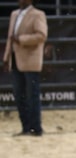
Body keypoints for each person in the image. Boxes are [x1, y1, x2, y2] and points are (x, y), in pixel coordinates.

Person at [2, 0, 48, 137]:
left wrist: (22, 39)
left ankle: (36, 127)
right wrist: (6, 57)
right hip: (16, 58)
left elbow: (41, 35)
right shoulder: (14, 14)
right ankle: (26, 127)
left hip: (30, 59)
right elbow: (10, 38)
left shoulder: (38, 15)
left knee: (31, 94)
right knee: (19, 94)